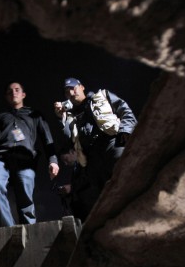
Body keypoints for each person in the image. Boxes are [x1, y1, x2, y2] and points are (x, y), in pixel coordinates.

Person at [0, 82, 59, 227]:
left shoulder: (35, 115)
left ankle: (29, 231)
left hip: (25, 158)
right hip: (0, 156)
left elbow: (47, 138)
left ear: (23, 94)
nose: (14, 92)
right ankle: (8, 229)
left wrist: (53, 160)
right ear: (6, 97)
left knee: (25, 196)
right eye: (9, 91)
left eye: (17, 90)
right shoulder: (0, 116)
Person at [53, 77, 137, 217]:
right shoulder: (70, 116)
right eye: (67, 92)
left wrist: (125, 131)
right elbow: (69, 139)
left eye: (74, 88)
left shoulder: (102, 96)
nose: (72, 93)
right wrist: (61, 117)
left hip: (112, 144)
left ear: (82, 87)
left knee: (126, 180)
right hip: (91, 159)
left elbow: (125, 111)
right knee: (103, 197)